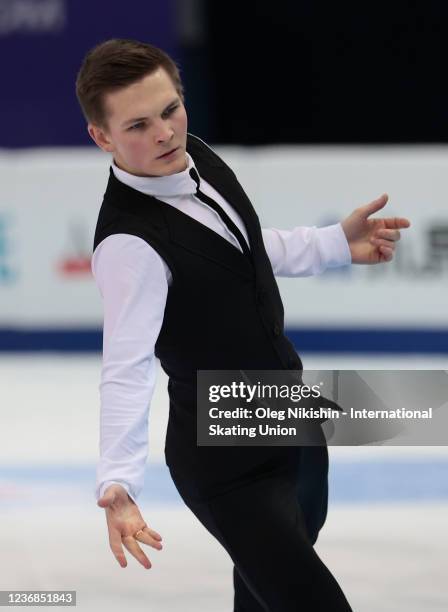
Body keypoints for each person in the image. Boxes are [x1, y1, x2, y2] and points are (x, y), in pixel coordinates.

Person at [75, 38, 410, 611]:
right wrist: (119, 482)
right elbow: (125, 367)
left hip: (288, 413)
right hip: (227, 456)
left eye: (170, 110)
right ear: (102, 137)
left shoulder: (194, 156)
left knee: (262, 601)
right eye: (137, 125)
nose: (164, 133)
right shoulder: (130, 244)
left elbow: (240, 246)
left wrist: (332, 243)